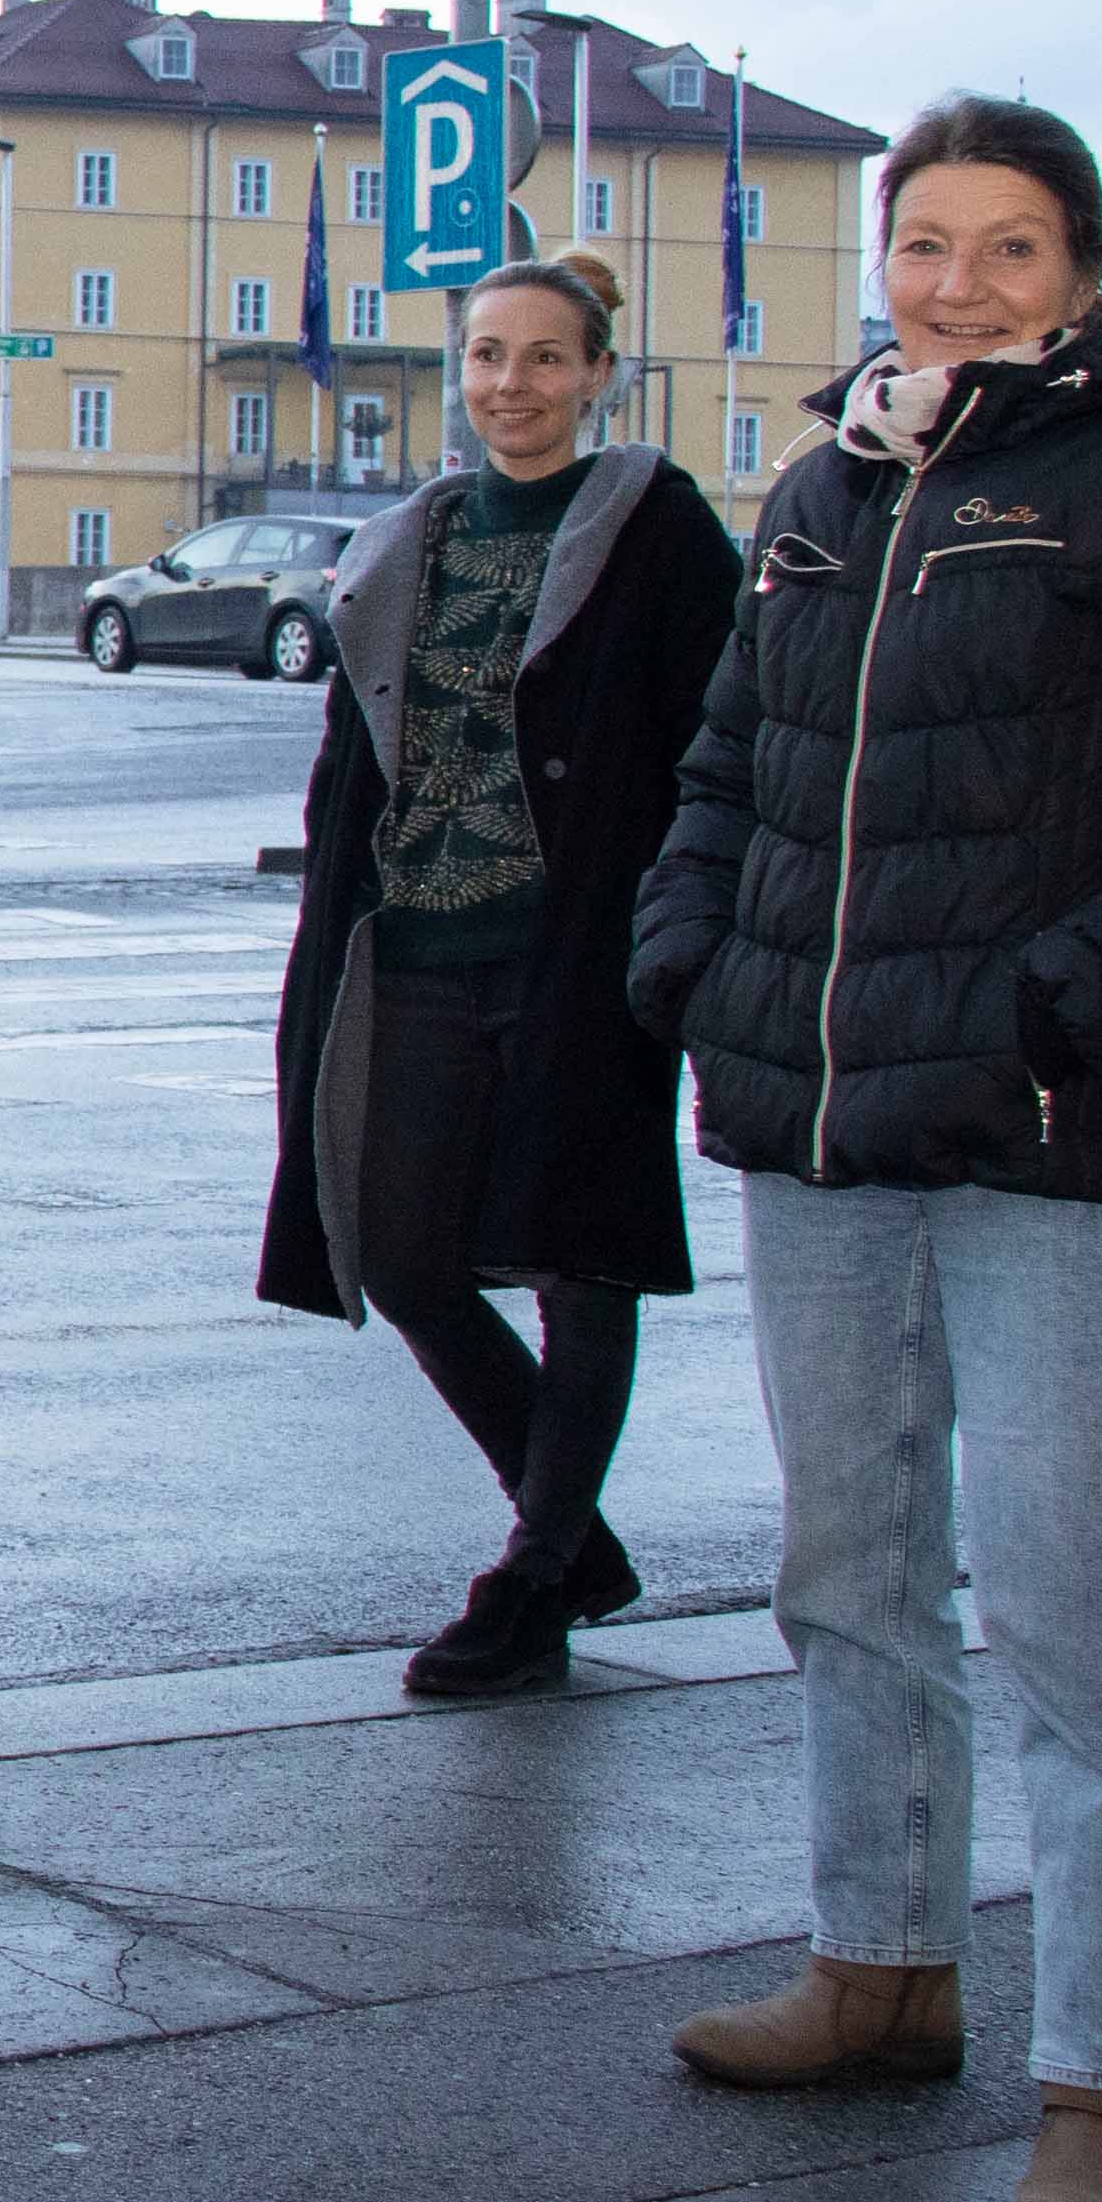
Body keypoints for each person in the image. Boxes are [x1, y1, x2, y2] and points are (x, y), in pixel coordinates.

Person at [631, 100, 1102, 2202]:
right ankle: (879, 1970)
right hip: (820, 1128)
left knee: (1072, 1612)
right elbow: (729, 766)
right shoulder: (822, 490)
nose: (955, 284)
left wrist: (1054, 1017)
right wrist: (694, 965)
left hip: (1049, 1138)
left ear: (1082, 272)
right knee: (847, 1573)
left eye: (1007, 246)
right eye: (923, 242)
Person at [257, 252, 736, 1697]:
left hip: (576, 949)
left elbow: (719, 743)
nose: (508, 386)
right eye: (484, 356)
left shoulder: (657, 533)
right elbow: (354, 758)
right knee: (402, 1260)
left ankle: (531, 1575)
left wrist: (680, 923)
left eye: (542, 358)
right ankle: (571, 1538)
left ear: (596, 376)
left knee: (579, 1263)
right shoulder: (404, 540)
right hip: (410, 944)